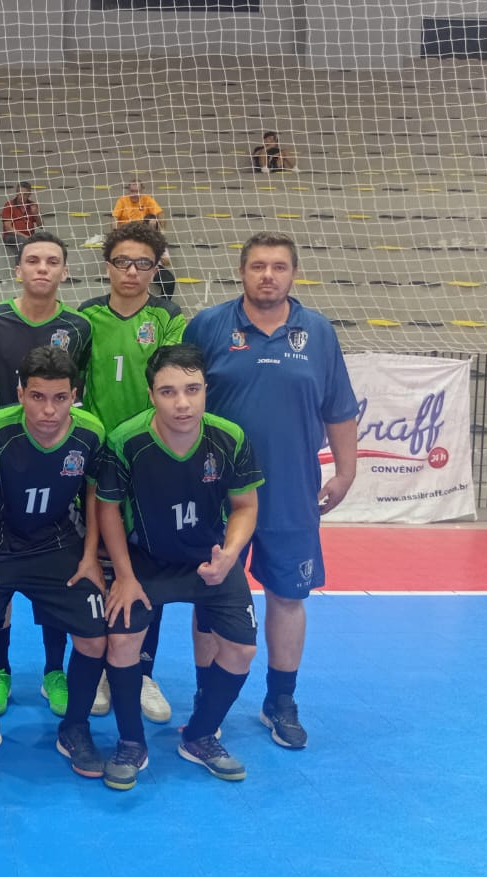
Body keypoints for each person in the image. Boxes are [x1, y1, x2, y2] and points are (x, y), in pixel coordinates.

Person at [183, 231, 358, 750]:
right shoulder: (209, 326)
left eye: (278, 267)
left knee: (288, 594)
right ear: (242, 271)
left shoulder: (318, 332)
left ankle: (280, 700)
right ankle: (205, 697)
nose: (268, 276)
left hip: (291, 489)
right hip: (217, 490)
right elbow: (178, 395)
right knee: (212, 593)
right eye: (258, 266)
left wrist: (345, 472)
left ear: (293, 274)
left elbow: (339, 408)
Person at [96, 343, 262, 789]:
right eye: (168, 392)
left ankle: (201, 735)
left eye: (192, 389)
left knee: (242, 649)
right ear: (151, 394)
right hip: (146, 563)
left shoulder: (230, 437)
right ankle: (132, 743)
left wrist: (229, 554)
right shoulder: (125, 440)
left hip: (210, 560)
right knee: (122, 643)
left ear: (207, 390)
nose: (182, 403)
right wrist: (125, 576)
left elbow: (245, 505)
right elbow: (108, 510)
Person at [0, 345, 109, 778]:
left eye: (60, 398)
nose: (49, 410)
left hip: (61, 546)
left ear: (74, 395)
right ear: (21, 393)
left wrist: (92, 555)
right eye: (38, 396)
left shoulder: (91, 433)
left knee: (95, 641)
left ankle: (74, 728)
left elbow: (96, 490)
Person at [0, 229, 93, 718]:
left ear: (64, 271)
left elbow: (78, 386)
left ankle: (53, 671)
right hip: (3, 454)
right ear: (18, 269)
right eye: (33, 260)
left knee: (56, 568)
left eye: (51, 261)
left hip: (55, 452)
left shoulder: (79, 325)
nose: (42, 268)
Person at [79, 220, 187, 724]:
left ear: (156, 267)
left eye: (143, 263)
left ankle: (141, 671)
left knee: (147, 568)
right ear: (107, 265)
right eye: (122, 261)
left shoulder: (167, 318)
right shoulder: (85, 317)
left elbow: (173, 384)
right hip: (97, 459)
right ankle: (101, 667)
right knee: (97, 566)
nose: (131, 271)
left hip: (149, 456)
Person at [0, 181, 42, 250]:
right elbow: (8, 228)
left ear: (29, 194)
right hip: (11, 236)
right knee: (22, 241)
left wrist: (36, 215)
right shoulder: (9, 205)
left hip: (29, 236)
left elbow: (41, 226)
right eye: (20, 194)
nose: (21, 197)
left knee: (46, 239)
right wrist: (26, 237)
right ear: (16, 193)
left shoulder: (33, 205)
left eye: (25, 195)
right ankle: (20, 261)